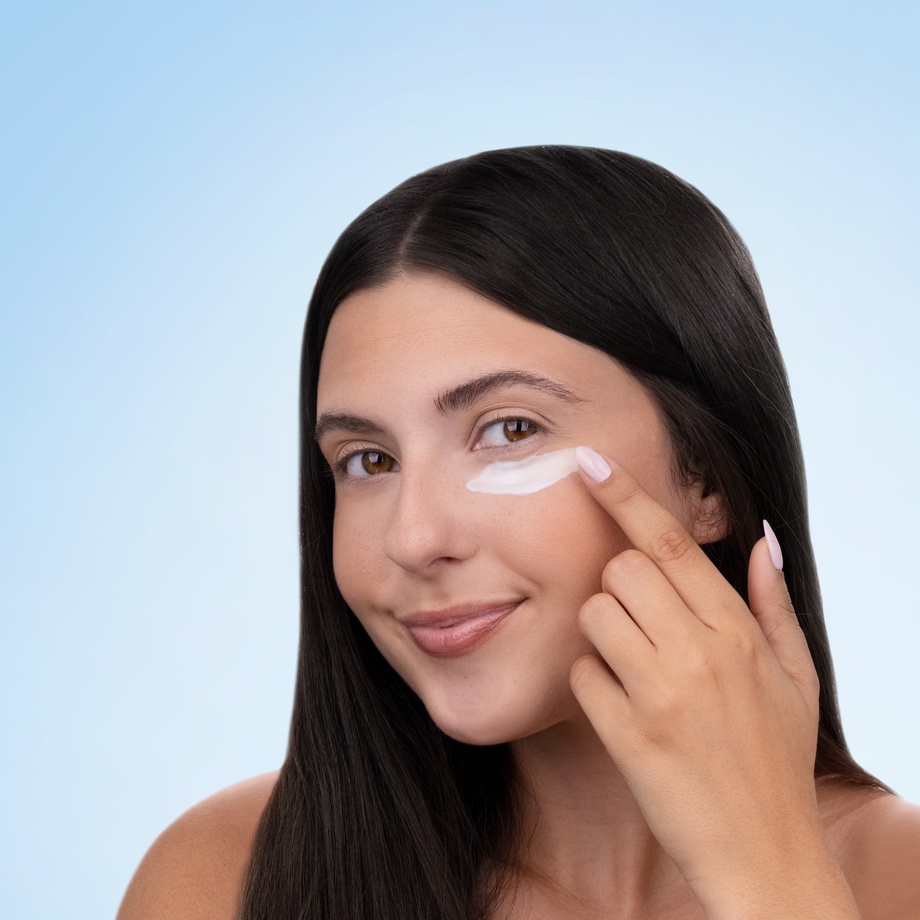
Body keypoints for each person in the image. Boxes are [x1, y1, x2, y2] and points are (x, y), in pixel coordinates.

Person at [117, 146, 920, 920]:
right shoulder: (222, 879)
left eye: (510, 430)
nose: (413, 538)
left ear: (706, 475)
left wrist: (770, 875)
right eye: (368, 459)